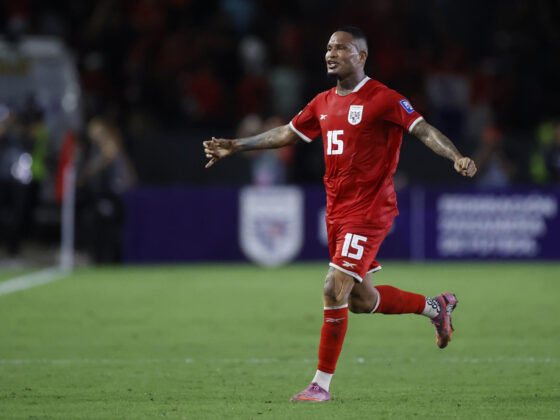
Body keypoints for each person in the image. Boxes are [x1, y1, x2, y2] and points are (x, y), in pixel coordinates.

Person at [203, 26, 477, 402]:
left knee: (333, 288)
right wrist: (237, 146)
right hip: (338, 212)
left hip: (370, 209)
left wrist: (456, 156)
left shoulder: (383, 98)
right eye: (329, 48)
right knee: (362, 300)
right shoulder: (322, 102)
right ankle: (436, 307)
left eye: (342, 48)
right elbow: (287, 132)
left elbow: (423, 130)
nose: (331, 53)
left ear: (361, 55)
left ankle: (320, 385)